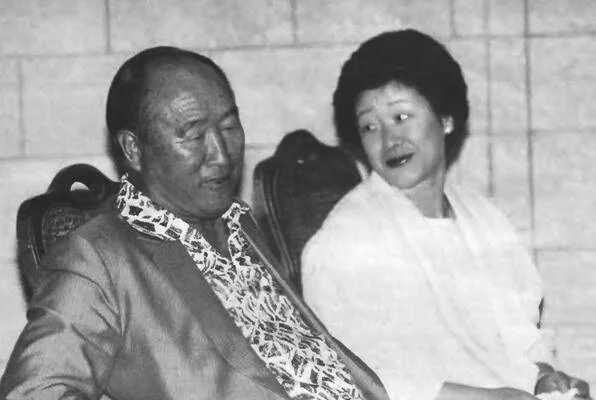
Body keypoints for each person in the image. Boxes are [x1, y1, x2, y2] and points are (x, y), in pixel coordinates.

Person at [0, 46, 390, 400]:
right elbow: (31, 393)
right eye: (193, 135)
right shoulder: (98, 257)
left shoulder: (239, 224)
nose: (221, 154)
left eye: (229, 127)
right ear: (133, 149)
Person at [302, 29, 591, 400]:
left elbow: (520, 331)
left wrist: (544, 377)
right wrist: (484, 398)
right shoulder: (343, 242)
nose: (389, 140)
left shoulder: (482, 217)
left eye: (401, 116)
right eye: (370, 127)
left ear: (446, 119)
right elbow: (353, 378)